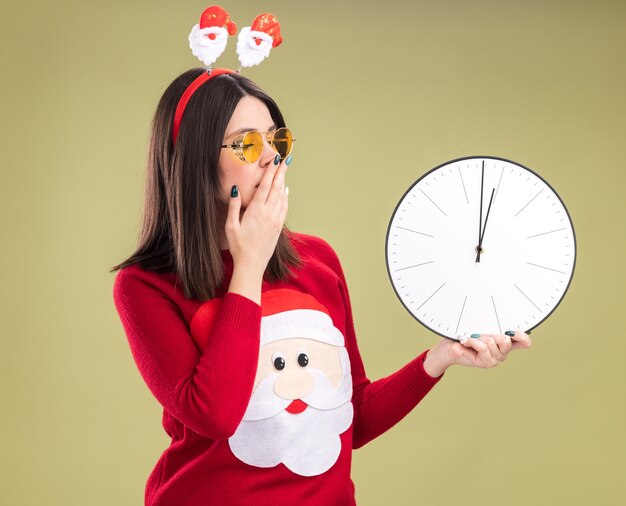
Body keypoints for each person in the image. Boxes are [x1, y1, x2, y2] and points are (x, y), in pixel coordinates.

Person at [111, 10, 531, 505]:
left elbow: (347, 419)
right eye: (247, 144)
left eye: (277, 141)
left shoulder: (317, 260)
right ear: (193, 160)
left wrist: (441, 357)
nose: (270, 158)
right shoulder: (145, 285)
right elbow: (215, 415)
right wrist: (248, 264)